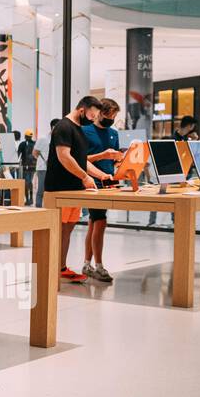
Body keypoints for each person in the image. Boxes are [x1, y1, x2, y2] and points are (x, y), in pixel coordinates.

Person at [43, 96, 109, 283]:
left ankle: (61, 267)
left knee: (67, 230)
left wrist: (100, 175)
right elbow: (64, 156)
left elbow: (82, 161)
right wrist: (85, 177)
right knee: (58, 230)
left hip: (74, 191)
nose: (92, 119)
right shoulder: (64, 127)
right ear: (82, 110)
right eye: (91, 115)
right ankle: (52, 269)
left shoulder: (79, 130)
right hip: (59, 190)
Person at [81, 98, 124, 282]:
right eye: (109, 114)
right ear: (99, 112)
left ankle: (87, 264)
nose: (111, 118)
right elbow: (82, 159)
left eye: (114, 115)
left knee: (94, 221)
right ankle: (98, 265)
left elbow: (114, 159)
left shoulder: (113, 133)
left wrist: (121, 161)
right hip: (92, 183)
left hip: (109, 182)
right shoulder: (85, 131)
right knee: (100, 221)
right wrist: (103, 155)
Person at [34, 121, 57, 207]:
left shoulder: (58, 138)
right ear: (53, 127)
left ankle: (49, 208)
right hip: (43, 168)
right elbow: (35, 152)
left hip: (54, 168)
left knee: (52, 190)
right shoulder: (43, 139)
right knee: (41, 189)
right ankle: (38, 209)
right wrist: (43, 161)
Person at [18, 129, 36, 203]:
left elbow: (18, 155)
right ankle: (30, 199)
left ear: (25, 136)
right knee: (29, 182)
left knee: (26, 182)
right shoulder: (35, 143)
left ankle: (28, 199)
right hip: (33, 166)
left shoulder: (22, 144)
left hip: (25, 166)